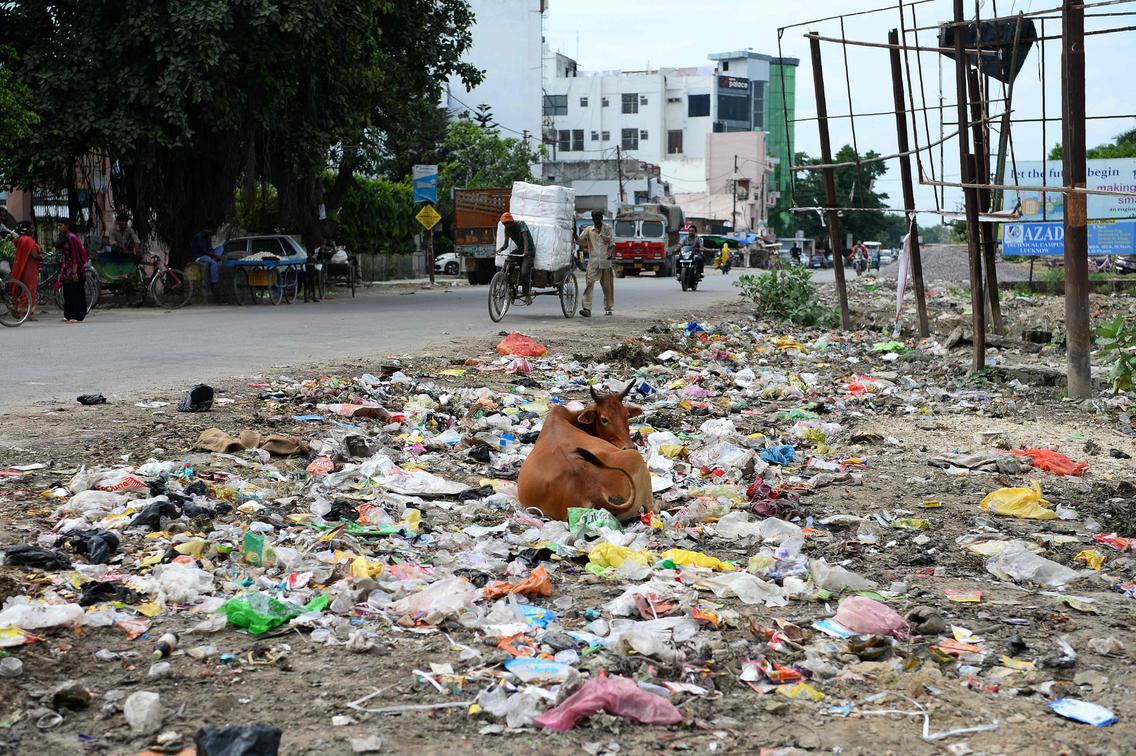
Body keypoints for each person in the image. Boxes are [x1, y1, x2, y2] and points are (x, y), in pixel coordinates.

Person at [575, 209, 614, 317]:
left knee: (607, 286)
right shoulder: (589, 230)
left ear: (601, 218)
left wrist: (610, 253)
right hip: (593, 262)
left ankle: (608, 307)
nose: (596, 221)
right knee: (589, 283)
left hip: (605, 261)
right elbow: (579, 241)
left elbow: (612, 243)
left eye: (598, 218)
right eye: (594, 219)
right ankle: (587, 308)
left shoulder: (607, 229)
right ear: (593, 219)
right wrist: (574, 234)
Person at [497, 212, 535, 305]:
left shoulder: (521, 224)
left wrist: (526, 251)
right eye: (504, 224)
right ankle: (508, 285)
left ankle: (526, 294)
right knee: (508, 262)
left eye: (507, 223)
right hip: (519, 250)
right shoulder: (507, 230)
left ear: (511, 221)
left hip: (529, 251)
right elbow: (506, 244)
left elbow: (525, 237)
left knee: (524, 272)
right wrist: (500, 249)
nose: (505, 225)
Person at [56, 219, 89, 323]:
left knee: (75, 293)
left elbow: (75, 256)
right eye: (58, 226)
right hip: (67, 269)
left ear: (67, 226)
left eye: (61, 225)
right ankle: (68, 314)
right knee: (67, 292)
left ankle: (76, 316)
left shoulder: (71, 238)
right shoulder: (65, 237)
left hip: (75, 269)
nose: (59, 228)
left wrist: (74, 272)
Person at [10, 221, 41, 320]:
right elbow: (34, 255)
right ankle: (25, 313)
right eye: (31, 227)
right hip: (29, 269)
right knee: (29, 290)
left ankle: (19, 309)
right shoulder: (28, 240)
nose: (33, 229)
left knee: (20, 289)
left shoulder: (18, 239)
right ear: (26, 229)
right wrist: (41, 256)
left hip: (19, 267)